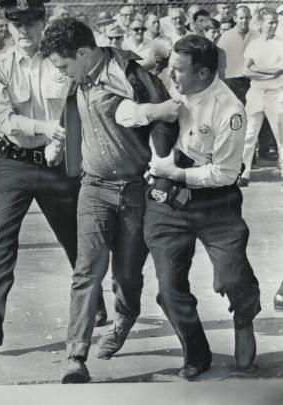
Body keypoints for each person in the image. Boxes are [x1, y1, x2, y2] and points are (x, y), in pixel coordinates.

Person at [0, 0, 107, 348]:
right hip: (13, 162)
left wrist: (66, 141)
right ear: (6, 25)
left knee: (74, 236)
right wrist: (45, 127)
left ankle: (93, 300)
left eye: (31, 21)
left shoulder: (63, 61)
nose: (24, 30)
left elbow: (83, 102)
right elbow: (4, 121)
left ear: (43, 21)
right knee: (2, 237)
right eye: (15, 22)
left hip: (59, 163)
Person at [40, 17, 176, 383]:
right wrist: (59, 145)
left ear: (84, 53)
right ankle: (76, 355)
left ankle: (124, 318)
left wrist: (162, 166)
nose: (62, 72)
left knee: (127, 276)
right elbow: (73, 116)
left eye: (64, 64)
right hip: (94, 188)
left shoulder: (129, 74)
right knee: (87, 271)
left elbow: (169, 117)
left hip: (136, 191)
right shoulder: (79, 76)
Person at [116, 35, 261, 378]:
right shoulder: (165, 84)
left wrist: (176, 171)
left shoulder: (229, 110)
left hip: (215, 201)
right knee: (169, 287)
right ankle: (195, 349)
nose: (172, 74)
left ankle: (243, 315)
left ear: (204, 72)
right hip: (166, 200)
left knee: (232, 275)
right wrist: (150, 110)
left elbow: (225, 174)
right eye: (171, 67)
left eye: (179, 70)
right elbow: (121, 111)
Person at [239, 8, 283, 187]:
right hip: (256, 94)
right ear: (260, 23)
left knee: (280, 135)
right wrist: (269, 74)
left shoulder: (281, 43)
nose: (274, 25)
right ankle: (244, 173)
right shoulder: (253, 45)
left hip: (277, 94)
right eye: (270, 22)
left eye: (275, 22)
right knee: (249, 135)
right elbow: (245, 70)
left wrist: (258, 71)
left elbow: (280, 70)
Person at [218, 6, 258, 104]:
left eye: (246, 17)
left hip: (251, 80)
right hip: (232, 80)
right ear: (235, 18)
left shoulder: (256, 36)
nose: (244, 20)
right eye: (241, 18)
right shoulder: (226, 36)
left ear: (251, 18)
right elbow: (220, 61)